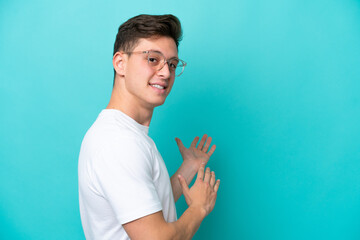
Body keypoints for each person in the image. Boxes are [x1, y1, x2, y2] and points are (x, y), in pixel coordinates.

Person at [78, 14, 220, 240]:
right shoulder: (119, 143)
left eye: (172, 64)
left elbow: (144, 206)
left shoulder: (124, 134)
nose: (166, 73)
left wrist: (189, 167)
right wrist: (198, 208)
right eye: (153, 59)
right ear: (120, 63)